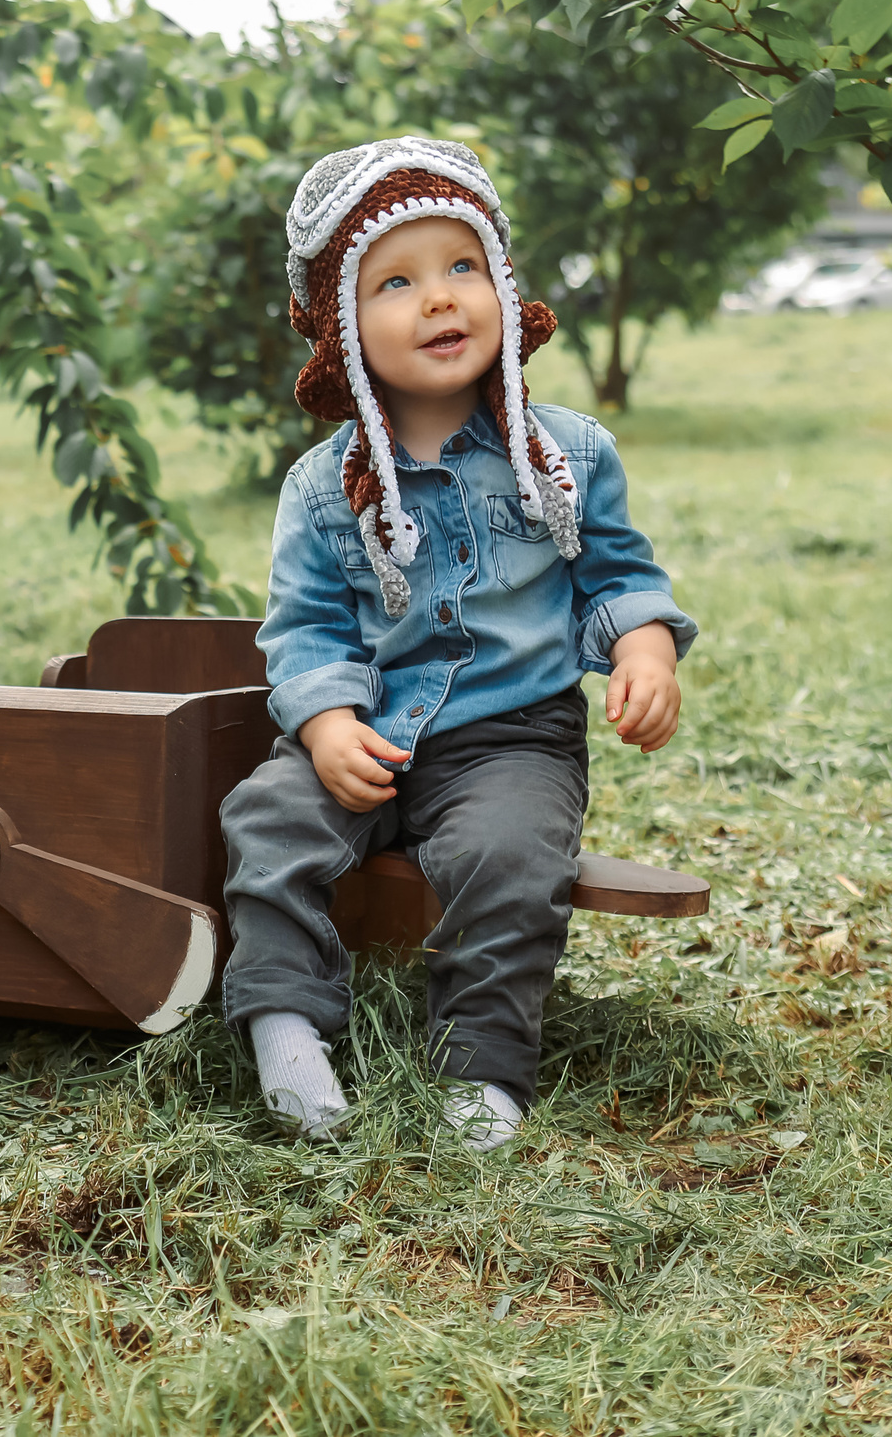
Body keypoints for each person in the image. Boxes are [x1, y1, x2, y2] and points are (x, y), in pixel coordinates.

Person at [220, 138, 696, 1150]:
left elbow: (615, 575)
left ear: (502, 283)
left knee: (507, 856)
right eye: (395, 281)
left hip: (509, 737)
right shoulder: (320, 487)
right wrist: (326, 723)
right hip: (371, 727)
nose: (440, 299)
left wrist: (644, 648)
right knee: (267, 819)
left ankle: (479, 1071)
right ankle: (284, 1022)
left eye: (461, 266)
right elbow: (303, 625)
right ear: (340, 329)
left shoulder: (567, 456)